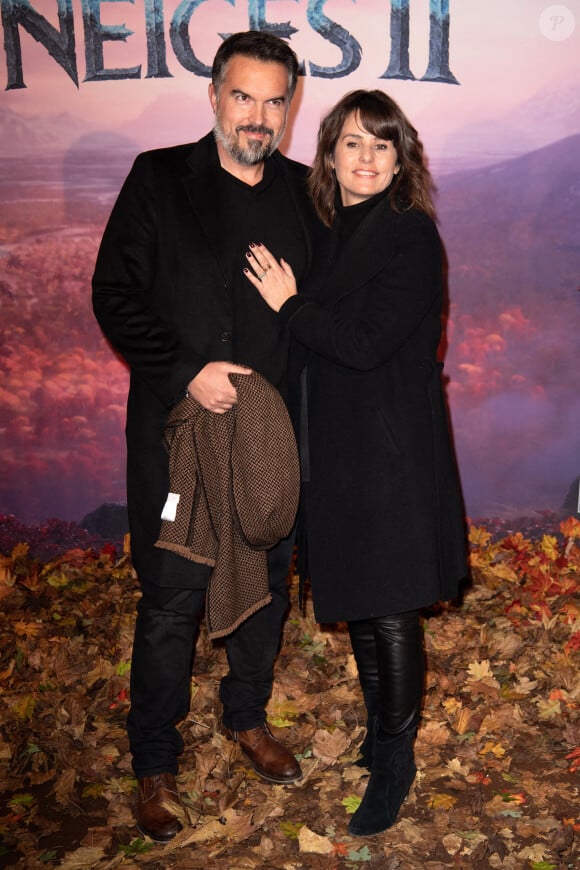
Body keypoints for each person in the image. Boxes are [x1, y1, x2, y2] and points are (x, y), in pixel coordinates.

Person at [92, 31, 317, 843]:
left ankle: (247, 717)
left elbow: (327, 312)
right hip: (176, 430)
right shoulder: (159, 179)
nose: (257, 116)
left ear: (289, 108)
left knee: (265, 577)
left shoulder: (303, 194)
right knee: (172, 595)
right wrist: (189, 368)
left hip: (271, 435)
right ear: (214, 95)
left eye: (273, 100)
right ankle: (153, 761)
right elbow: (114, 294)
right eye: (243, 96)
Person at [244, 89, 468, 837]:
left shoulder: (409, 235)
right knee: (367, 607)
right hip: (337, 446)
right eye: (353, 143)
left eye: (383, 145)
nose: (367, 158)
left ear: (402, 158)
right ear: (330, 152)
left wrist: (290, 305)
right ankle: (380, 736)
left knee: (394, 607)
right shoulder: (329, 229)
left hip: (391, 450)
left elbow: (367, 342)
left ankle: (396, 762)